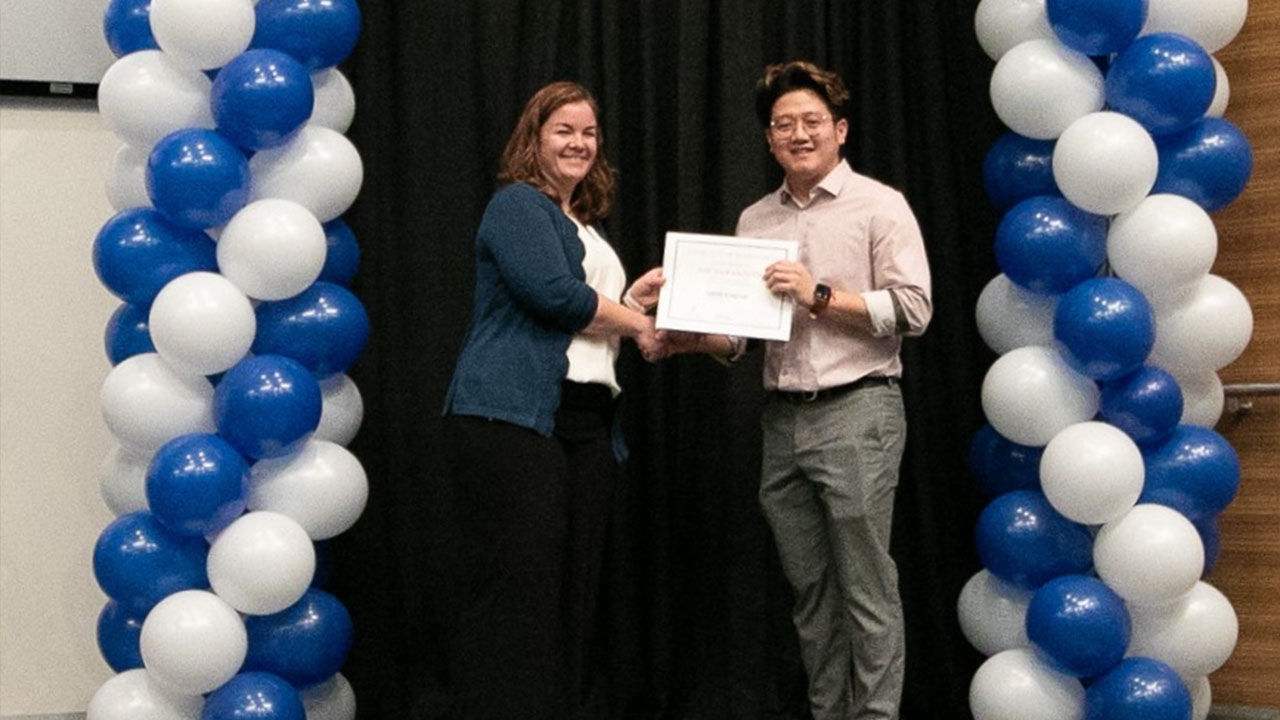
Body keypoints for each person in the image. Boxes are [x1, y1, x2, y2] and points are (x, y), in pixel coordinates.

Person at [660, 61, 932, 719]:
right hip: (782, 421)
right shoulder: (756, 218)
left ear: (840, 129)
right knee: (810, 591)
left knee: (866, 589)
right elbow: (741, 336)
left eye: (812, 121)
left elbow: (915, 309)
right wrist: (694, 336)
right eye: (784, 125)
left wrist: (819, 295)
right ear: (769, 139)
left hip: (859, 409)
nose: (799, 134)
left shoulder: (880, 204)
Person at [440, 80, 664, 720]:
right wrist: (638, 322)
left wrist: (635, 302)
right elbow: (554, 296)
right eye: (563, 130)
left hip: (586, 423)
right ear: (533, 138)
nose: (579, 143)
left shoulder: (580, 225)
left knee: (572, 592)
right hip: (512, 416)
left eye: (589, 132)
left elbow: (587, 306)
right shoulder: (518, 206)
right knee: (521, 591)